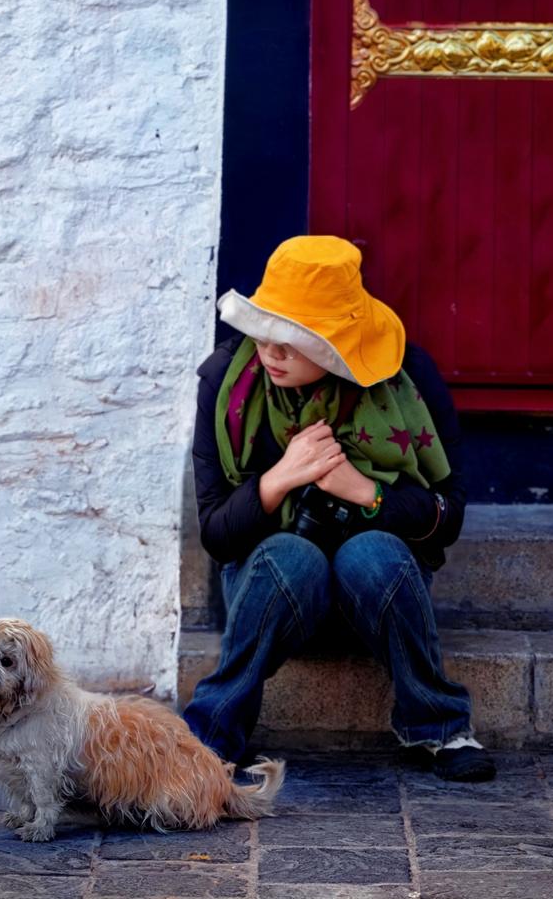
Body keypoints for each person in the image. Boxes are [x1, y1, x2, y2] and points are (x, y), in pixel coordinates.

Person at [182, 235, 496, 782]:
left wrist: (365, 492)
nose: (270, 352)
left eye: (293, 339)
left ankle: (440, 726)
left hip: (378, 593)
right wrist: (279, 480)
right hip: (272, 592)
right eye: (264, 333)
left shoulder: (406, 378)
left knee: (371, 550)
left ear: (334, 343)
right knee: (287, 553)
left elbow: (448, 518)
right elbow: (216, 535)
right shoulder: (227, 383)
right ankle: (208, 739)